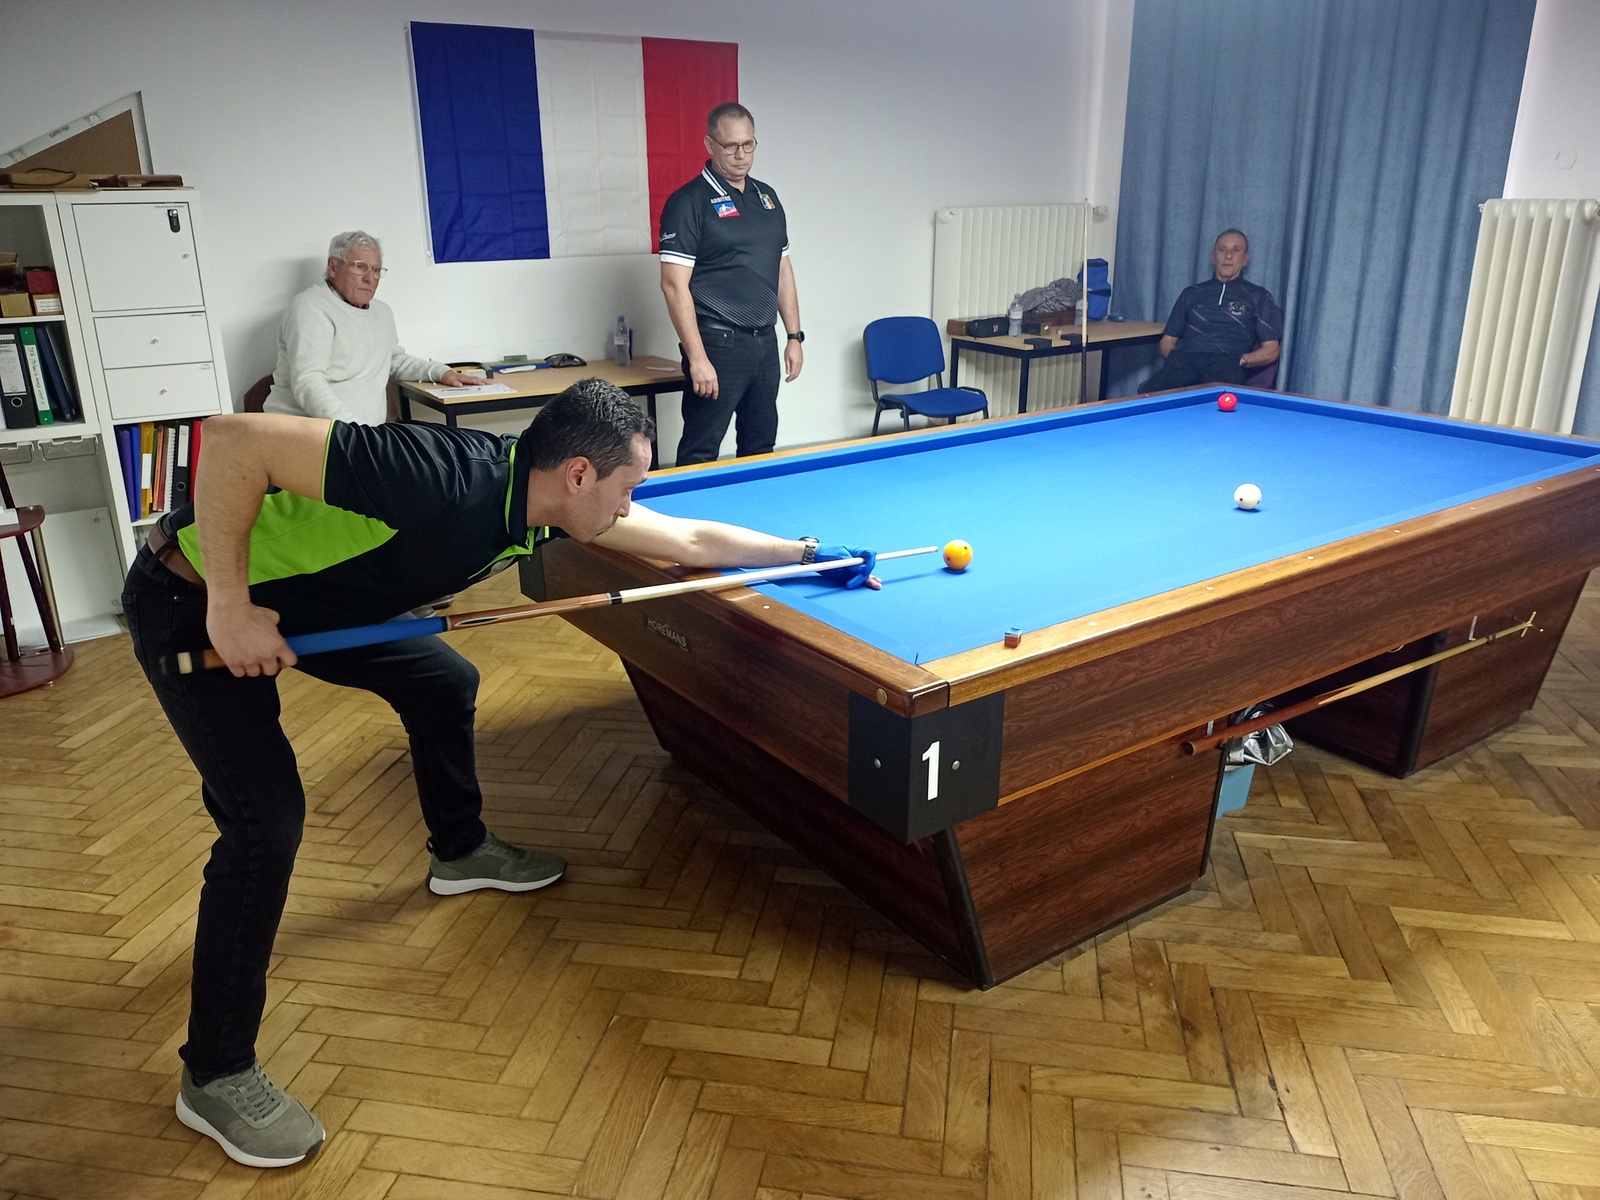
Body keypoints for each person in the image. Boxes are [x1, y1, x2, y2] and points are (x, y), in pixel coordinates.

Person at [122, 380, 876, 1169]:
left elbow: (683, 539)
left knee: (444, 682)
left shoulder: (544, 500)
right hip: (194, 599)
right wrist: (230, 607)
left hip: (317, 607)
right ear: (578, 474)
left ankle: (459, 850)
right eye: (627, 488)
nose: (631, 506)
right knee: (265, 824)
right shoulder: (436, 472)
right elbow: (233, 439)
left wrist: (806, 556)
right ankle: (216, 1073)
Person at [658, 102, 804, 464]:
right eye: (730, 146)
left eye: (748, 144)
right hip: (717, 344)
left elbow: (783, 269)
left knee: (760, 447)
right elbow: (673, 286)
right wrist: (697, 358)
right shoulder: (688, 202)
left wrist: (794, 337)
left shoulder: (767, 198)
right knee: (700, 449)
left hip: (764, 343)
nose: (741, 155)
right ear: (710, 144)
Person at [262, 230, 480, 424]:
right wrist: (357, 432)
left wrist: (442, 372)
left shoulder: (382, 312)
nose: (370, 278)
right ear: (333, 267)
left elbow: (392, 362)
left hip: (362, 436)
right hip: (311, 436)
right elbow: (309, 383)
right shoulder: (310, 307)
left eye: (376, 270)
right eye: (360, 267)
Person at [1138, 230, 1283, 394]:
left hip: (1227, 363)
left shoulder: (1259, 296)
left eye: (1236, 250)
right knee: (1150, 395)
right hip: (1186, 362)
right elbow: (1167, 341)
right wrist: (1175, 357)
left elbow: (1272, 350)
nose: (1228, 256)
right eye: (1222, 249)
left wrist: (1241, 360)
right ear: (1213, 257)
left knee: (1211, 400)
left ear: (1245, 259)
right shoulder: (1191, 293)